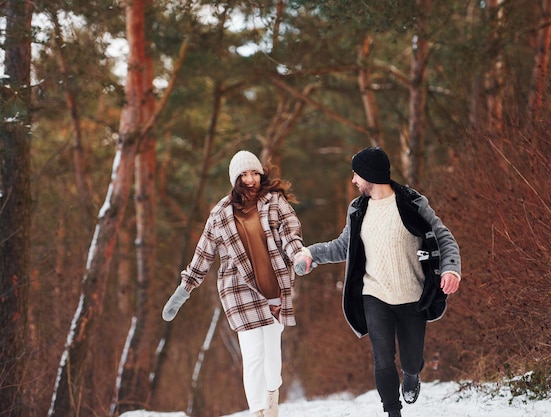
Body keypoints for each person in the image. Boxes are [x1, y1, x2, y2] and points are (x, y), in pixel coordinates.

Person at [294, 146, 461, 417]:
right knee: (382, 359)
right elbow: (343, 245)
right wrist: (312, 253)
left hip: (412, 295)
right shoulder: (358, 209)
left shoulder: (412, 203)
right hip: (375, 295)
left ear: (370, 174)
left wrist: (451, 269)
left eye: (356, 175)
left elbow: (443, 237)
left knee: (411, 360)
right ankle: (393, 412)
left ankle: (411, 375)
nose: (353, 181)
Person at [162, 150, 307, 417]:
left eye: (254, 173)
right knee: (252, 357)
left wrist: (298, 254)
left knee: (272, 359)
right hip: (239, 292)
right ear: (235, 179)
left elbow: (290, 232)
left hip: (275, 288)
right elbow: (203, 254)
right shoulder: (220, 214)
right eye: (244, 174)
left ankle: (272, 397)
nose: (250, 179)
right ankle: (259, 411)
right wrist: (184, 289)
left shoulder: (274, 202)